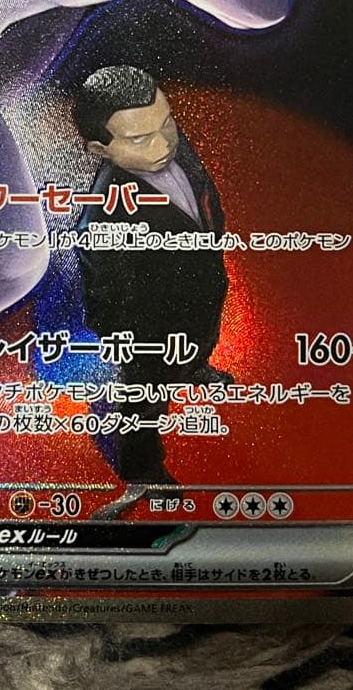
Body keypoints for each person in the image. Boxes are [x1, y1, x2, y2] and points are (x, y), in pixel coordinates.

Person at [72, 66, 232, 486]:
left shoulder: (176, 148)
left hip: (201, 292)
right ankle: (141, 468)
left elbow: (203, 195)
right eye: (140, 139)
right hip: (151, 332)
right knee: (144, 400)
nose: (164, 145)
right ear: (100, 149)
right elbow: (104, 294)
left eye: (167, 124)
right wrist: (134, 345)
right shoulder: (102, 216)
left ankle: (194, 366)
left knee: (202, 340)